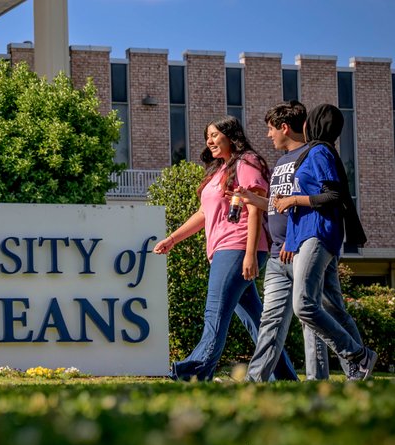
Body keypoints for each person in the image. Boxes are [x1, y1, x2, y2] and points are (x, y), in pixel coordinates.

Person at [154, 116, 298, 382]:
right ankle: (286, 377)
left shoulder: (246, 162)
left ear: (231, 136)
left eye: (215, 135)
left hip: (238, 246)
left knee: (215, 312)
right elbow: (203, 213)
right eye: (207, 136)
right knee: (256, 322)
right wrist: (172, 239)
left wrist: (251, 254)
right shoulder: (219, 170)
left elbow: (255, 206)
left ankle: (193, 371)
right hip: (224, 249)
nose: (209, 141)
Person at [241, 101, 340, 381]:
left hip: (299, 247)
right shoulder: (282, 161)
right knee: (271, 319)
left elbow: (313, 202)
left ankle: (317, 380)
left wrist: (293, 241)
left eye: (271, 129)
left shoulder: (310, 154)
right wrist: (254, 200)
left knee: (309, 315)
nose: (269, 135)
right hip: (276, 255)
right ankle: (255, 379)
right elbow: (278, 206)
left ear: (284, 127)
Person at [277, 103, 377, 381]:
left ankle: (357, 355)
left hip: (318, 233)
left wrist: (293, 199)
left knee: (303, 304)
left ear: (315, 124)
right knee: (333, 308)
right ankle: (358, 373)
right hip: (309, 235)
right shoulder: (316, 151)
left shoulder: (319, 151)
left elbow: (333, 195)